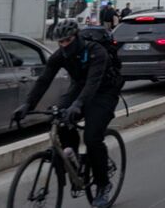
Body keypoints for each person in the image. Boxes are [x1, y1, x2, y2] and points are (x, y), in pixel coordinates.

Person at [14, 19, 123, 208]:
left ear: (77, 37)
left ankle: (103, 184)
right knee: (60, 119)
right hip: (79, 88)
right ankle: (73, 161)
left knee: (92, 138)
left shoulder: (97, 51)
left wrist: (78, 105)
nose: (64, 45)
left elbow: (93, 82)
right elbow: (44, 80)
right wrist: (27, 104)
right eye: (61, 42)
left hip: (104, 92)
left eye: (68, 40)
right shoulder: (60, 56)